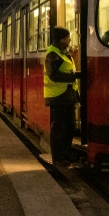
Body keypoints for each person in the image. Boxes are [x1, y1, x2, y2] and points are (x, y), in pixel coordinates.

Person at [44, 26, 82, 166]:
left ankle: (65, 153)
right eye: (67, 37)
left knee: (69, 126)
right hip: (57, 96)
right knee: (58, 128)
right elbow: (53, 74)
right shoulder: (53, 53)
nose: (69, 39)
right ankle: (58, 157)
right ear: (61, 39)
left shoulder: (63, 51)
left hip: (67, 96)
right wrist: (74, 75)